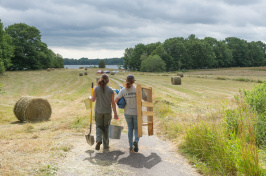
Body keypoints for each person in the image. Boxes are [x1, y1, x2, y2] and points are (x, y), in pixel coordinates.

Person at [89, 74, 118, 151]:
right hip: (107, 112)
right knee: (106, 127)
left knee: (98, 126)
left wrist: (89, 97)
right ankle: (106, 145)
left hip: (98, 111)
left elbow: (93, 99)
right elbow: (113, 103)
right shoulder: (111, 91)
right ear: (108, 81)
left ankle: (98, 140)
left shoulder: (96, 88)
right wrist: (115, 114)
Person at [115, 74, 140, 152]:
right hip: (136, 112)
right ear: (133, 81)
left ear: (126, 81)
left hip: (127, 113)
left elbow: (116, 100)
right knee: (136, 128)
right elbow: (145, 98)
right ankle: (136, 141)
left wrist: (120, 104)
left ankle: (130, 146)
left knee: (130, 129)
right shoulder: (137, 89)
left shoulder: (123, 90)